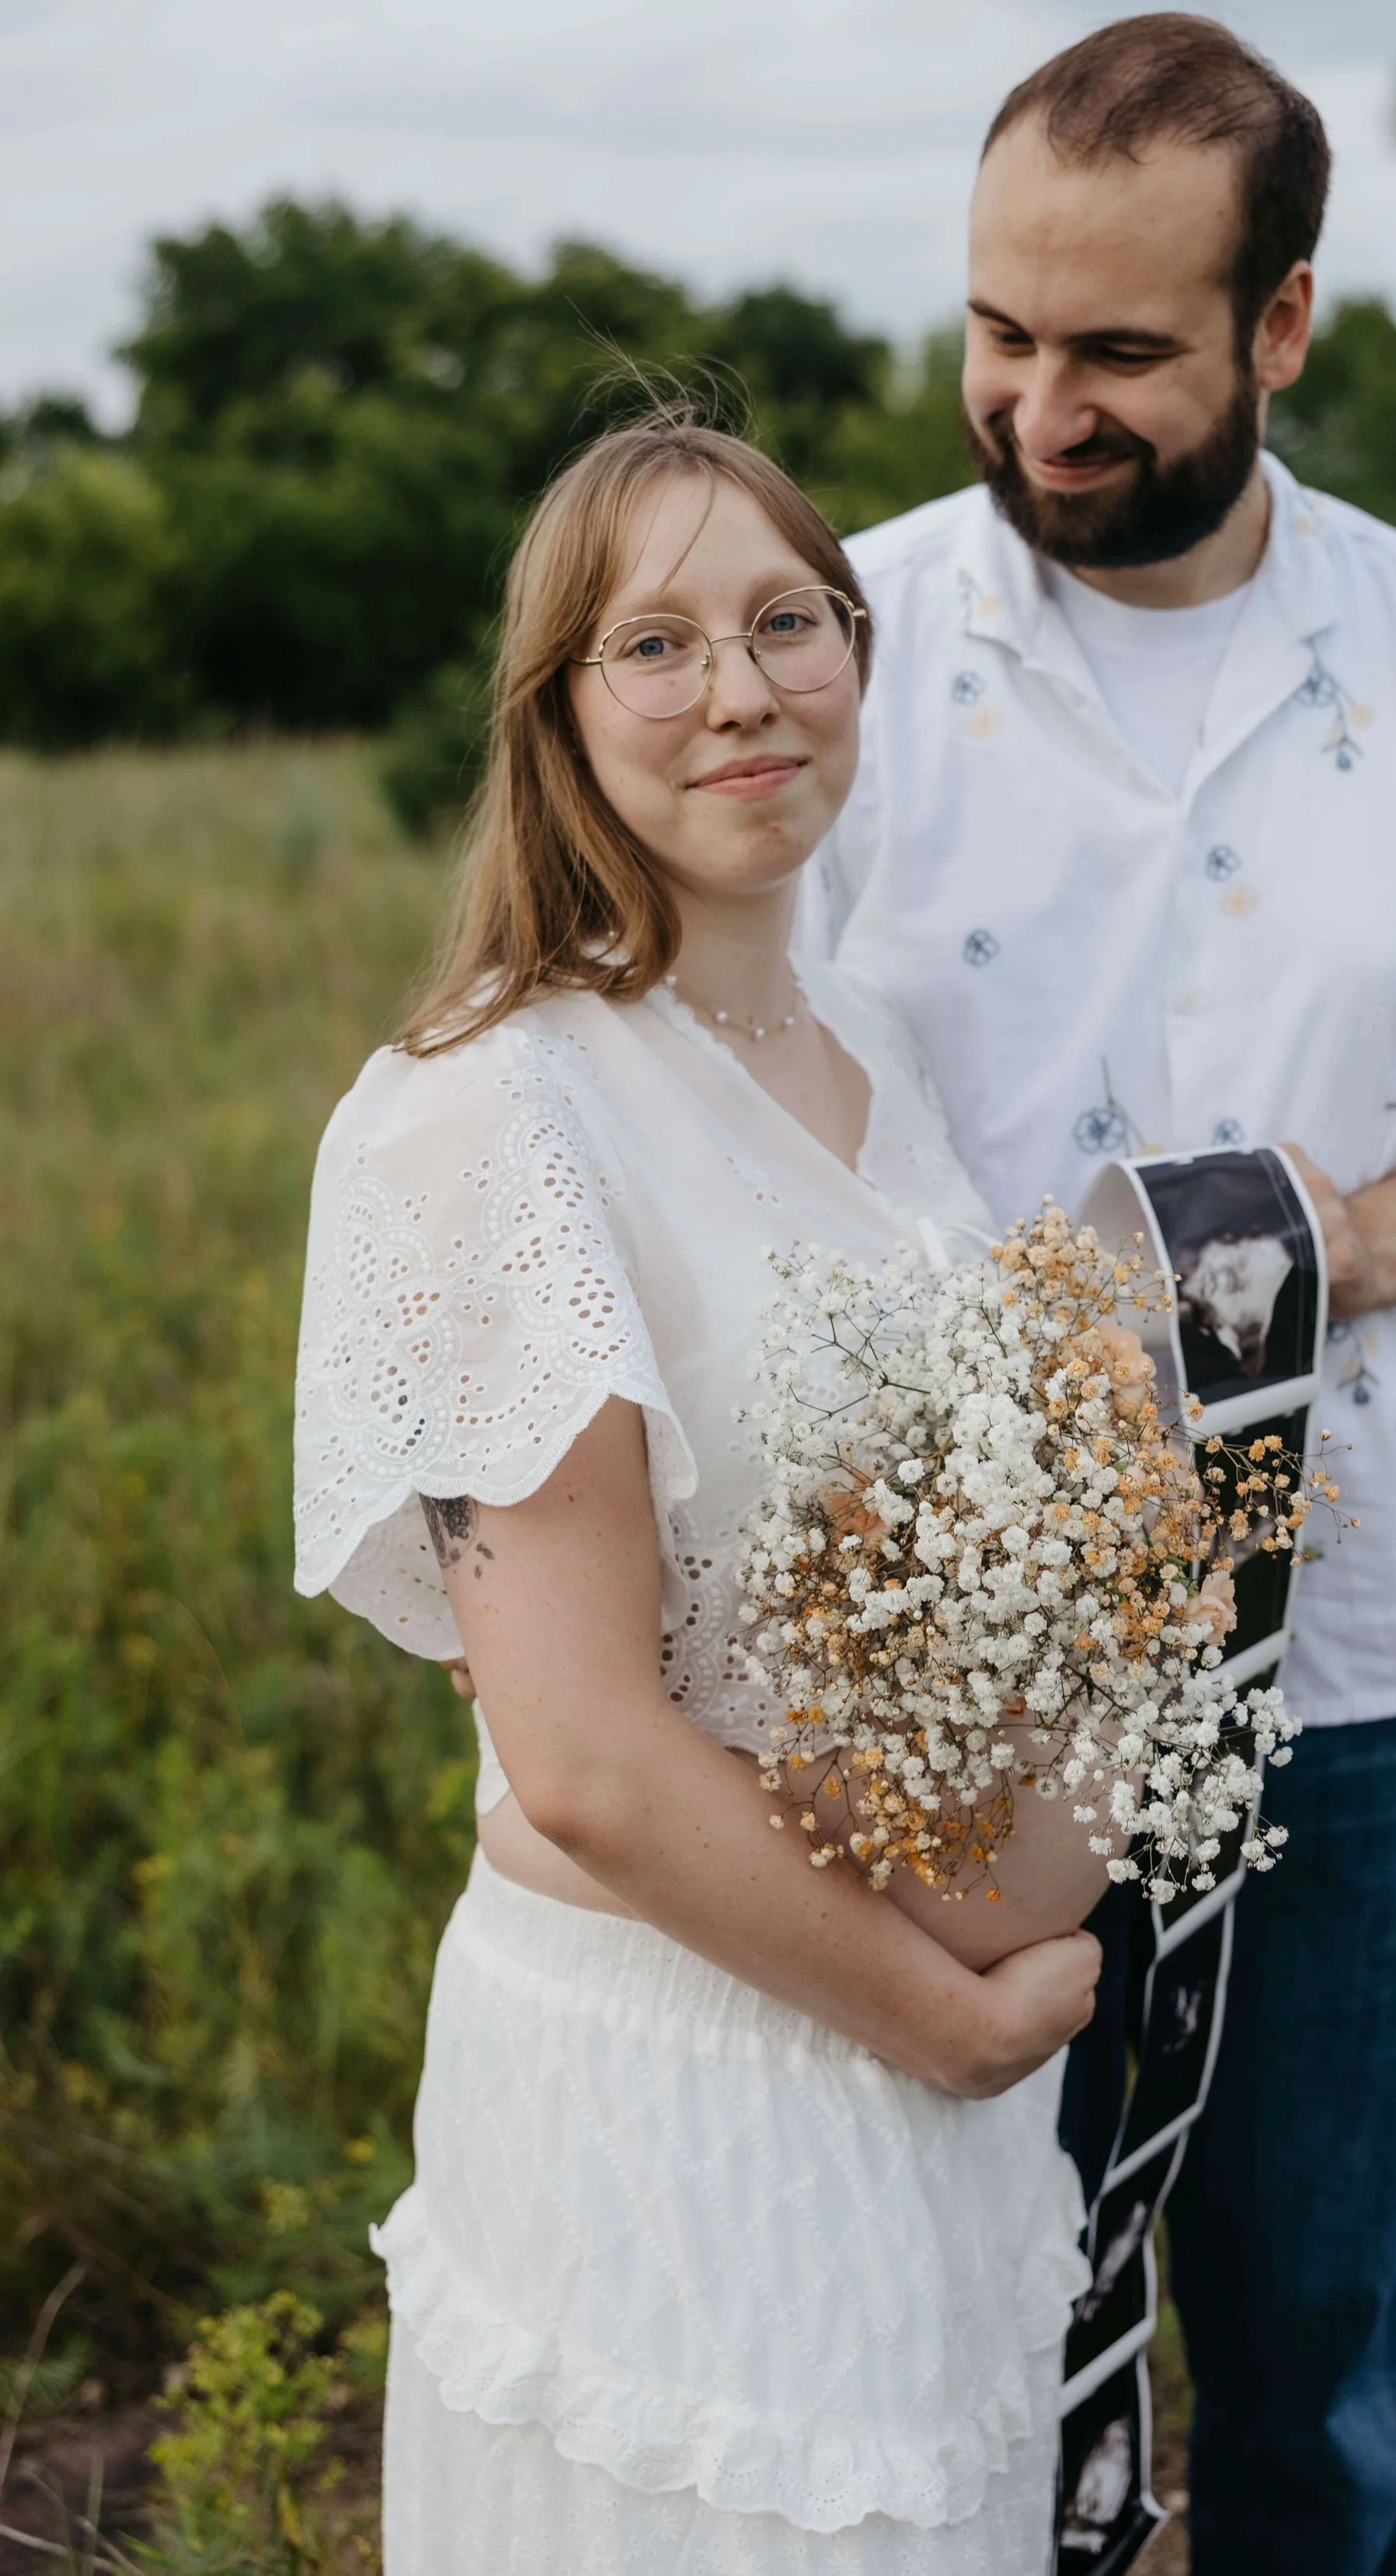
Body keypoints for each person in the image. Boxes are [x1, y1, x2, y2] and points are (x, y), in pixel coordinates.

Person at [805, 13, 1396, 2573]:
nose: (1036, 406)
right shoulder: (832, 642)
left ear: (1279, 326)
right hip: (940, 1681)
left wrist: (1323, 1254)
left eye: (1115, 353)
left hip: (1371, 1672)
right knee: (955, 2361)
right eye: (997, 333)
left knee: (1321, 2389)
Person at [291, 411, 1106, 2575]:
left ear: (857, 652)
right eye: (653, 643)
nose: (738, 690)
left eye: (785, 621)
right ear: (558, 713)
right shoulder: (492, 1114)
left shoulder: (874, 1060)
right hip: (679, 2101)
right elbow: (577, 1755)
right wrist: (952, 2013)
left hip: (932, 2141)